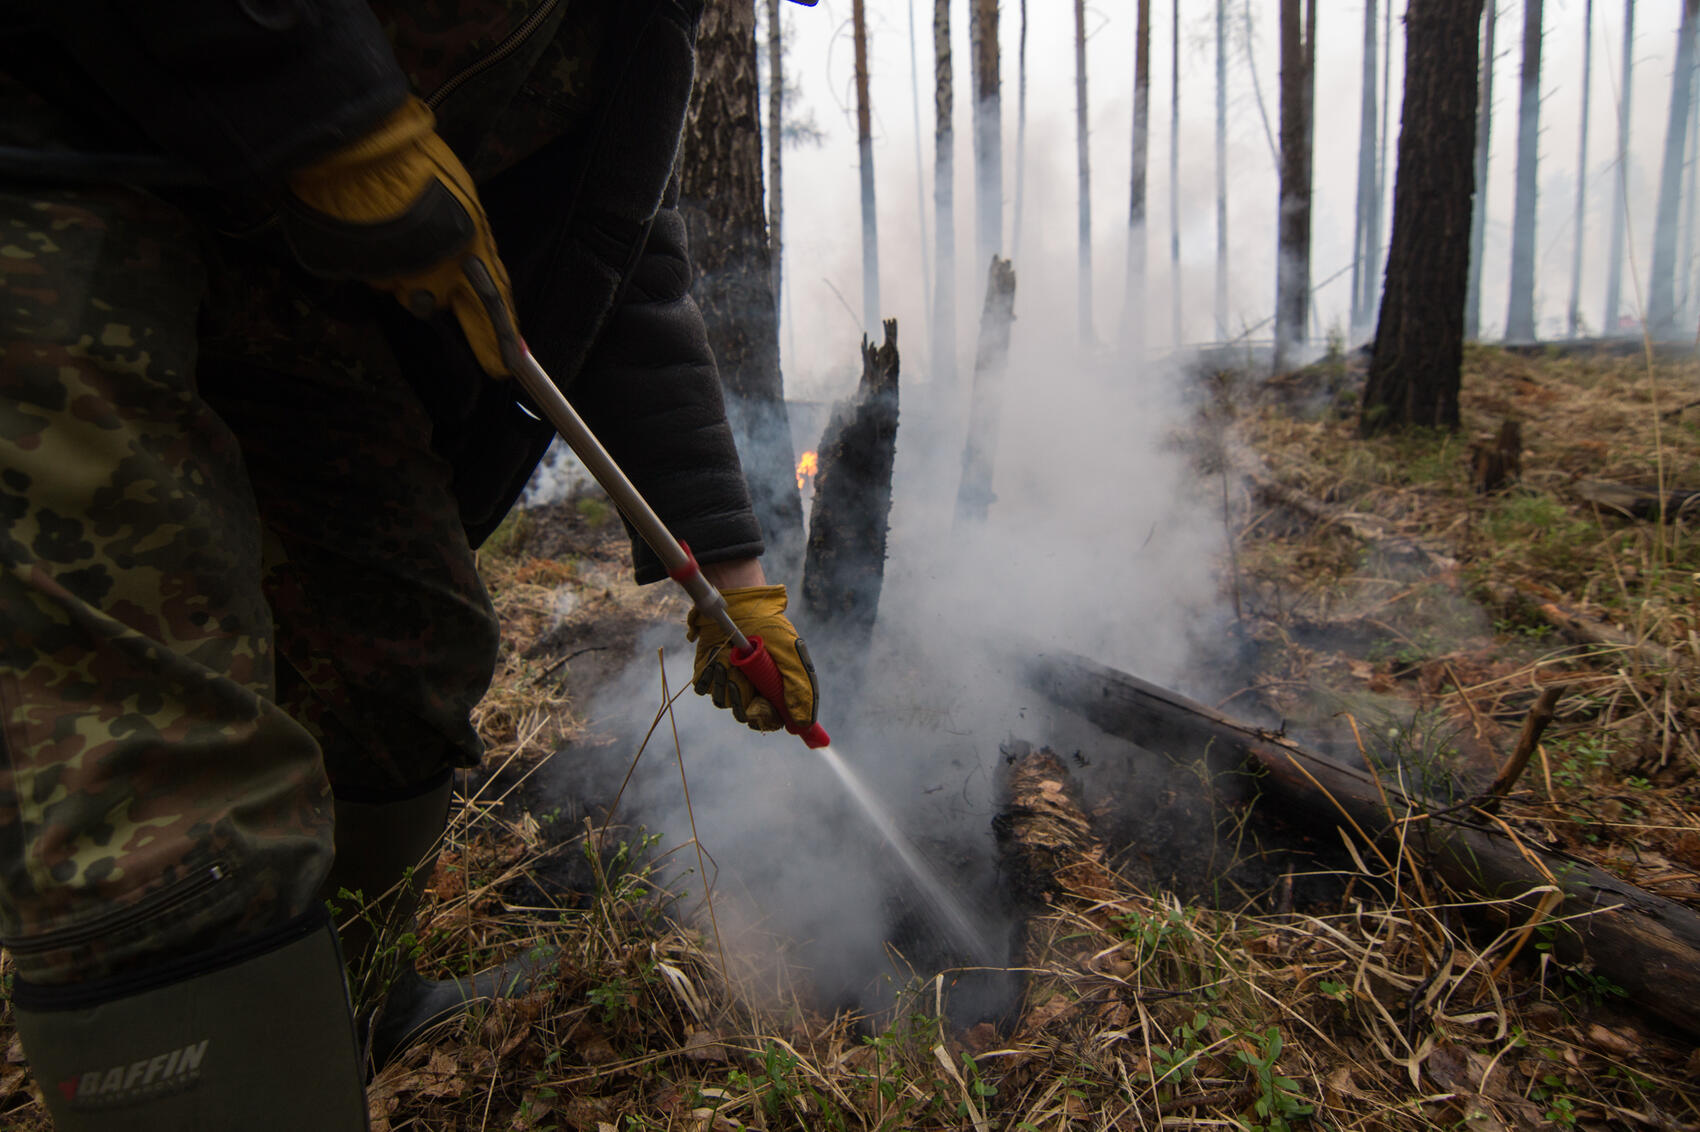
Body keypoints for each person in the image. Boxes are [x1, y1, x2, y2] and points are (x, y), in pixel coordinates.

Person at [0, 0, 820, 1126]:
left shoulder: (633, 29)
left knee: (402, 642)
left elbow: (616, 256)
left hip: (293, 270)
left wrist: (730, 578)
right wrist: (327, 102)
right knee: (158, 758)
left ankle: (346, 998)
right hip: (51, 158)